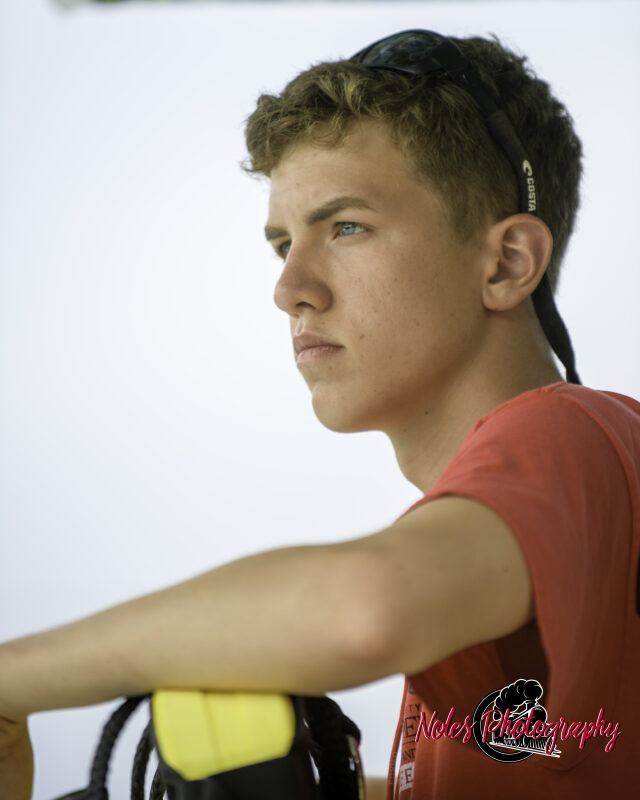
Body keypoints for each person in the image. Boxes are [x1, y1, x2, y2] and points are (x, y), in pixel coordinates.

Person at [1, 28, 639, 800]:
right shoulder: (522, 534)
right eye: (282, 244)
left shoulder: (571, 430)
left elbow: (363, 608)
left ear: (506, 263)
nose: (290, 288)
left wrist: (10, 681)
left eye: (346, 227)